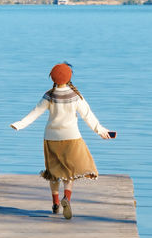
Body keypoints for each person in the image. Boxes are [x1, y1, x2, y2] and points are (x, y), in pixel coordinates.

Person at [10, 62, 114, 219]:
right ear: (70, 77)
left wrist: (19, 125)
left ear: (52, 78)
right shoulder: (75, 96)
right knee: (69, 172)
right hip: (71, 137)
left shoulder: (49, 96)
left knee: (53, 173)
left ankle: (55, 203)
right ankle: (67, 198)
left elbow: (35, 113)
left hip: (51, 138)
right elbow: (88, 115)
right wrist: (101, 131)